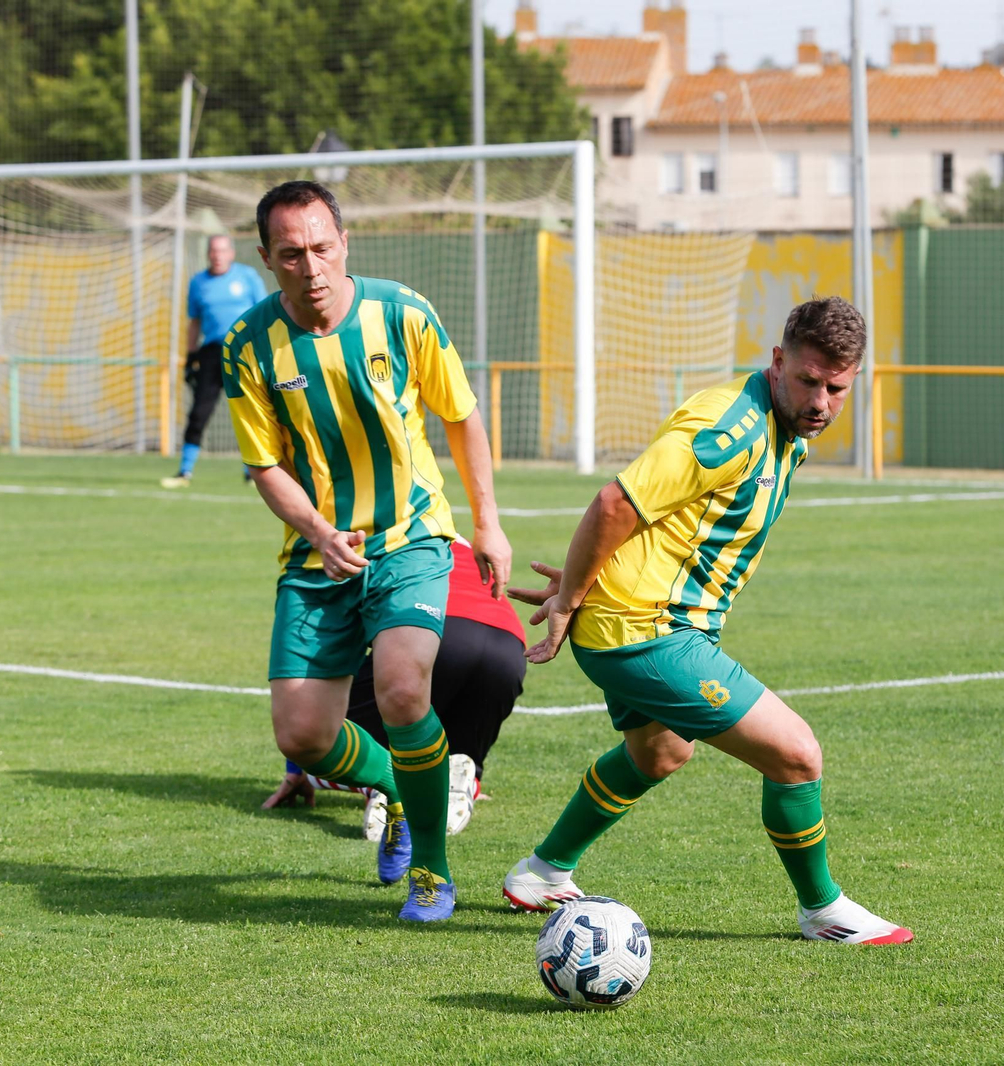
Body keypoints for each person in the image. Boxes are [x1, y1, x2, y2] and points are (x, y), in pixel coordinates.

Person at [501, 296, 911, 946]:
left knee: (659, 752)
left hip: (642, 619)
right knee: (797, 756)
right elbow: (615, 502)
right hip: (644, 631)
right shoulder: (730, 430)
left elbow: (661, 520)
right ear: (777, 362)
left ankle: (543, 873)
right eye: (808, 380)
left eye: (837, 388)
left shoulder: (786, 433)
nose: (821, 402)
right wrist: (574, 595)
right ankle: (822, 909)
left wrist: (593, 582)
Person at [223, 180, 511, 922]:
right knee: (306, 736)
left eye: (322, 247)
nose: (311, 266)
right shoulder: (248, 346)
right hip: (316, 558)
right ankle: (400, 787)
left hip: (412, 538)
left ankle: (432, 875)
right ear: (267, 258)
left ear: (344, 243)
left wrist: (489, 522)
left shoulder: (403, 312)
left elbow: (462, 414)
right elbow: (264, 465)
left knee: (403, 690)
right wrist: (318, 532)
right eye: (292, 254)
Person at [262, 537, 527, 842]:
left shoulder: (379, 536)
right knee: (453, 751)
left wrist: (299, 767)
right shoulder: (448, 533)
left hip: (438, 635)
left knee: (323, 734)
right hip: (508, 651)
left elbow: (326, 649)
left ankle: (387, 787)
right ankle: (462, 781)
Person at [161, 235, 268, 488]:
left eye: (222, 251)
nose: (218, 255)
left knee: (251, 411)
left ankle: (252, 473)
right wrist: (190, 357)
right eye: (213, 251)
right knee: (199, 412)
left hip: (244, 352)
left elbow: (264, 312)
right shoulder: (198, 282)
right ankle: (185, 472)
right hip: (211, 354)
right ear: (208, 254)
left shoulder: (248, 276)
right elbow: (194, 322)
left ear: (231, 253)